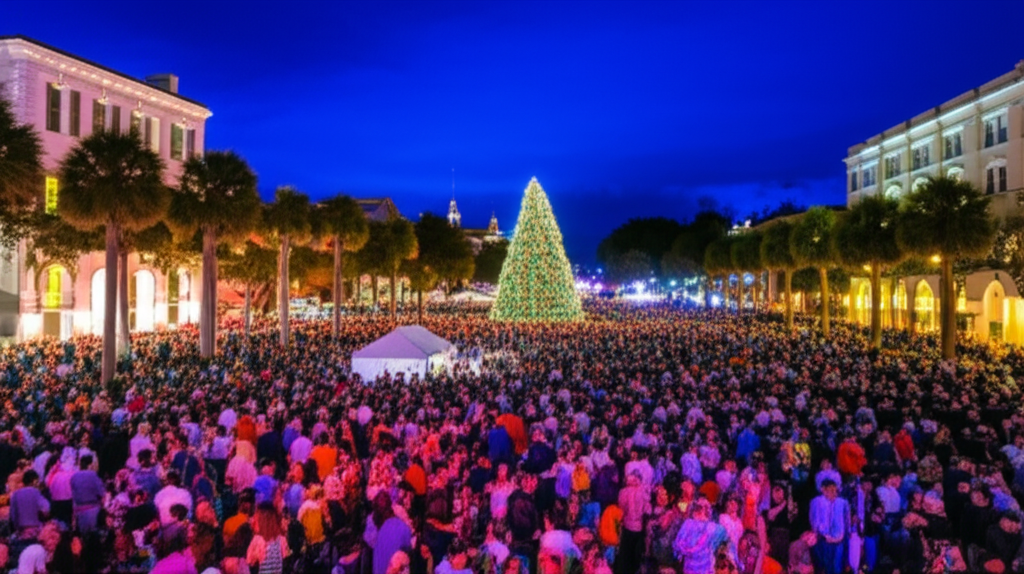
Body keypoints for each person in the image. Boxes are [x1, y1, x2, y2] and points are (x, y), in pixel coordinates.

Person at [809, 479, 849, 574]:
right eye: (830, 490)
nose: (833, 493)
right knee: (827, 565)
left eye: (835, 490)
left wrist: (842, 535)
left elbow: (845, 519)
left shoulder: (842, 502)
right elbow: (815, 520)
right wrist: (824, 535)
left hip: (839, 538)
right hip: (824, 539)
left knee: (837, 566)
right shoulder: (817, 501)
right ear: (824, 490)